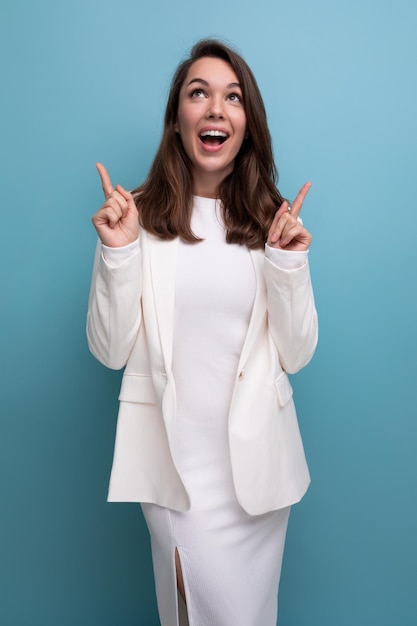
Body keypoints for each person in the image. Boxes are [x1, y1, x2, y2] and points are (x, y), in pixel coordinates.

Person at [87, 38, 318, 626]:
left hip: (256, 477)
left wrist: (287, 264)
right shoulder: (136, 216)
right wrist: (118, 253)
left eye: (232, 96)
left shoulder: (273, 224)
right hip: (175, 473)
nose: (215, 108)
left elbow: (298, 353)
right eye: (199, 93)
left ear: (247, 125)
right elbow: (109, 350)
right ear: (177, 121)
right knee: (192, 615)